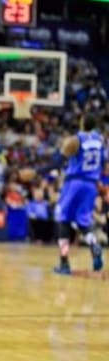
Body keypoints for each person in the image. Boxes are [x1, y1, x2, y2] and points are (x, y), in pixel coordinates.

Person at [53, 114, 104, 274]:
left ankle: (64, 263)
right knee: (83, 223)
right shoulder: (100, 140)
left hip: (74, 183)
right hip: (91, 185)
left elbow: (57, 161)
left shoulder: (76, 140)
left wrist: (38, 171)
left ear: (82, 123)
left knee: (63, 220)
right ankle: (94, 245)